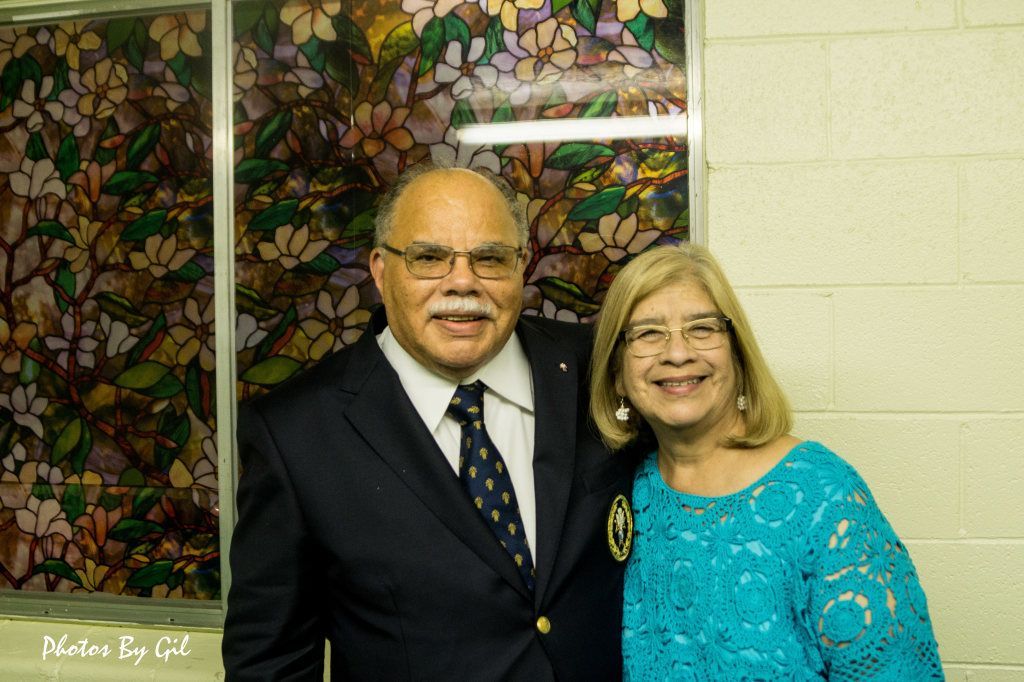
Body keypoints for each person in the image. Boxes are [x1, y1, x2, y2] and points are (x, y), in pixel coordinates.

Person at [223, 161, 635, 680]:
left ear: (522, 266)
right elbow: (270, 663)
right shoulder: (295, 435)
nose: (462, 281)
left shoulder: (598, 370)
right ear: (379, 269)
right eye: (428, 258)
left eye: (489, 258)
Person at [589, 244, 944, 680]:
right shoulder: (621, 491)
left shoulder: (822, 496)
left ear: (737, 356)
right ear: (617, 372)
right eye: (647, 334)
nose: (677, 353)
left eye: (702, 329)